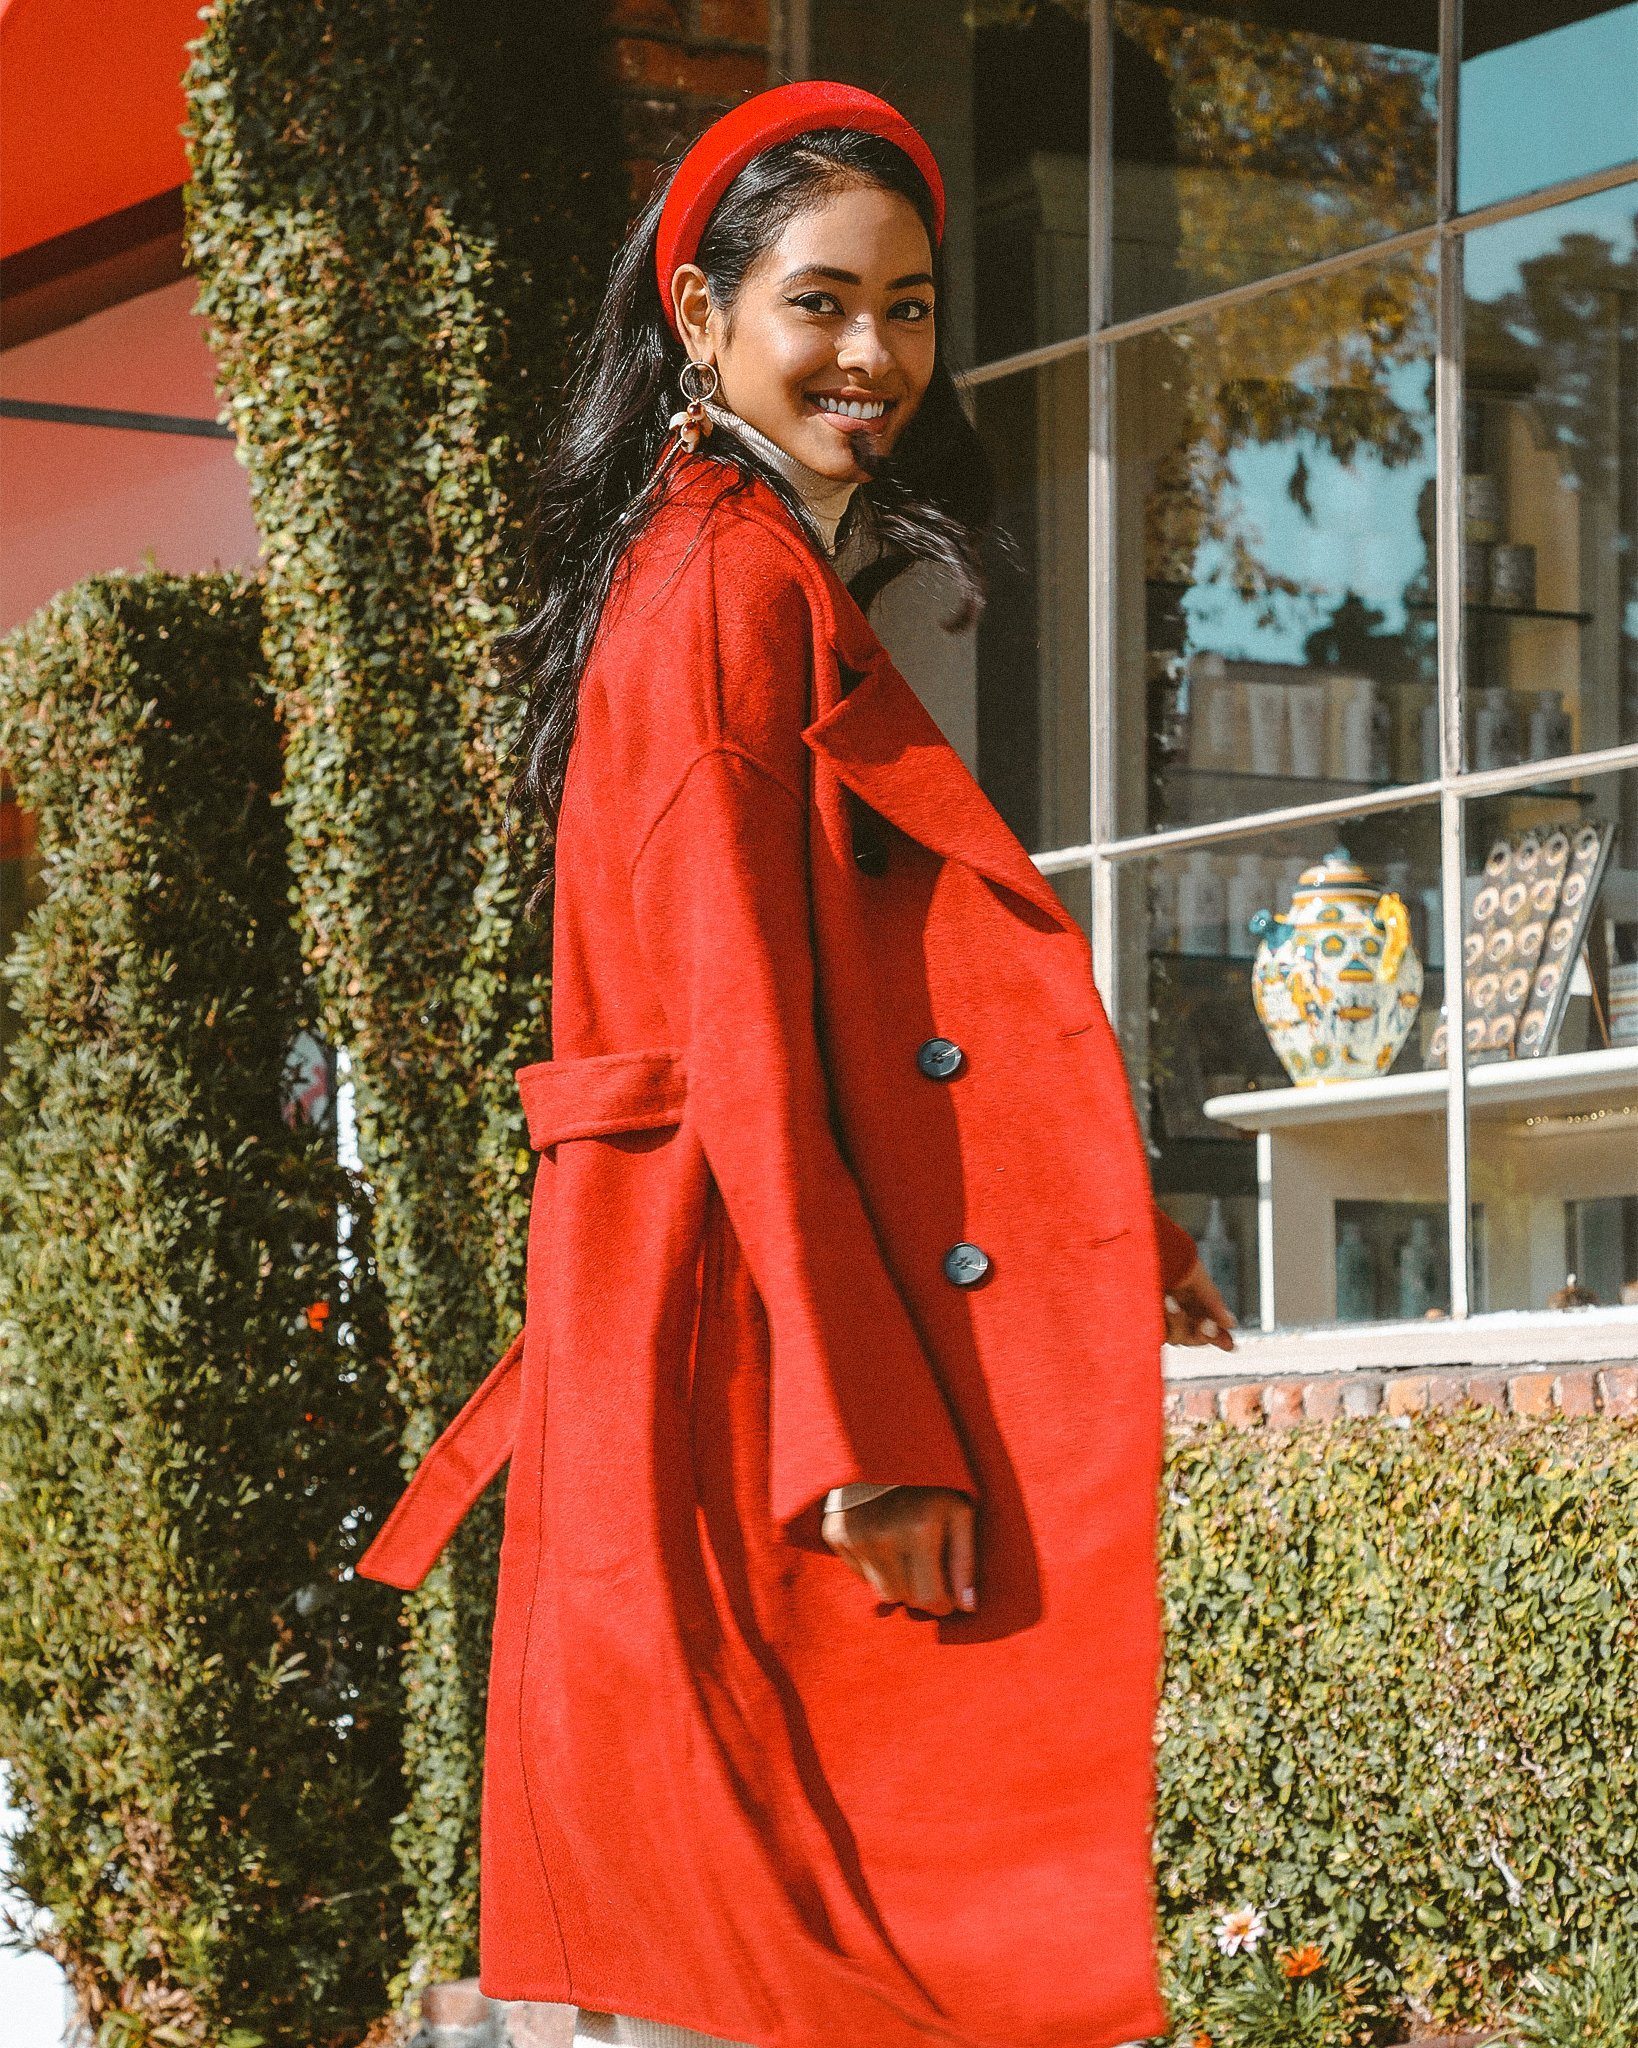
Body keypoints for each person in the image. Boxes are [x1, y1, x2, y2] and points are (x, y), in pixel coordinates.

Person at [359, 82, 1234, 2048]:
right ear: (700, 310)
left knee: (772, 1950)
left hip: (703, 1319)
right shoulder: (724, 585)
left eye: (911, 308)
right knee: (783, 1962)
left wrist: (1105, 1226)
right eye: (824, 304)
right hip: (733, 1354)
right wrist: (868, 1438)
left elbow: (859, 1025)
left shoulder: (745, 566)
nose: (876, 356)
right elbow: (743, 1047)